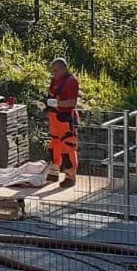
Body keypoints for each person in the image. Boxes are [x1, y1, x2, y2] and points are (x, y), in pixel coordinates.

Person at [39, 57, 79, 187]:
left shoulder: (71, 82)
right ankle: (54, 170)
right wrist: (46, 103)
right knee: (54, 144)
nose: (53, 73)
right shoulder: (55, 80)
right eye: (52, 70)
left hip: (65, 118)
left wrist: (56, 103)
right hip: (54, 117)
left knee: (67, 146)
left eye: (56, 70)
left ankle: (70, 176)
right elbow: (52, 96)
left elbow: (72, 102)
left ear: (64, 69)